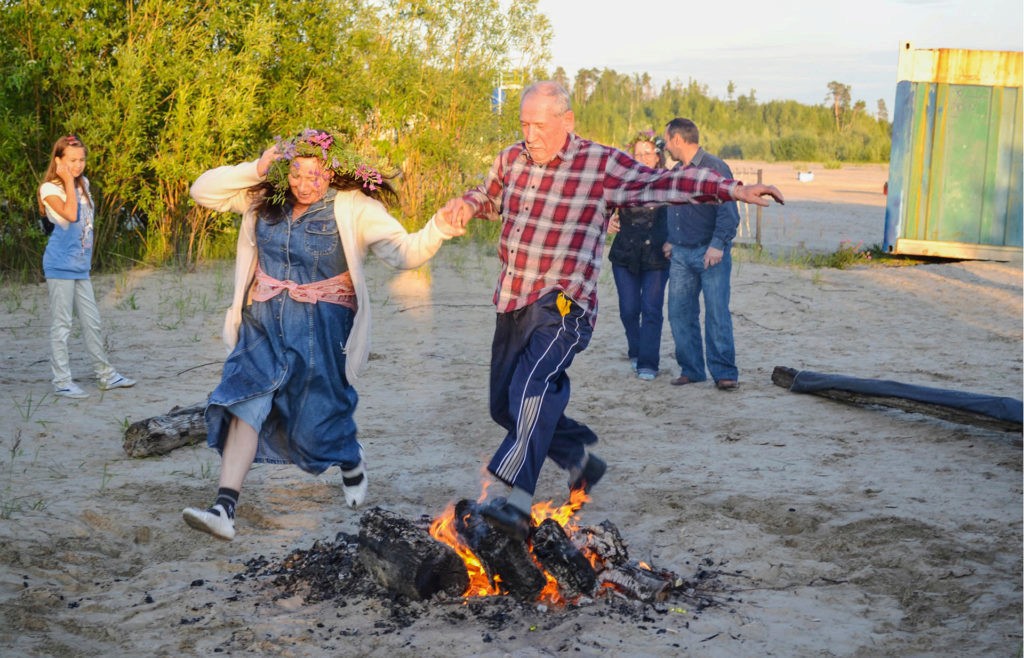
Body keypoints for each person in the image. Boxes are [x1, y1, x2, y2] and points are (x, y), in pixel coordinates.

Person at [440, 81, 783, 541]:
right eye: (524, 124)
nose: (530, 135)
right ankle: (580, 458)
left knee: (531, 388)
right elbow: (490, 196)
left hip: (564, 303)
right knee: (504, 406)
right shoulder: (511, 159)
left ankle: (518, 504)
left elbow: (663, 182)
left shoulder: (599, 164)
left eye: (539, 125)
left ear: (567, 121)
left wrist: (731, 189)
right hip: (513, 298)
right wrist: (467, 204)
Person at [182, 129, 463, 540]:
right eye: (295, 173)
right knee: (244, 402)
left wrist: (438, 227)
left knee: (314, 428)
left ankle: (349, 456)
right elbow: (202, 191)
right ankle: (224, 508)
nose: (304, 184)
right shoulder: (265, 197)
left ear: (333, 171)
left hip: (321, 328)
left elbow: (404, 252)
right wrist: (255, 168)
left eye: (315, 174)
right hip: (262, 321)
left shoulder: (353, 208)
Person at [39, 134, 136, 399]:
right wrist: (69, 181)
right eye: (72, 160)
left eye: (81, 160)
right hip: (59, 265)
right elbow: (70, 215)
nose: (78, 165)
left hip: (80, 267)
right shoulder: (50, 189)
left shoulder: (85, 183)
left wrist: (76, 181)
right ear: (59, 160)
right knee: (62, 325)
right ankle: (62, 381)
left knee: (92, 322)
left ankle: (105, 375)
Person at [661, 118, 741, 391]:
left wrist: (717, 245)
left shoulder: (715, 167)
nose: (666, 146)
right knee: (679, 313)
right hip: (681, 253)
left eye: (667, 140)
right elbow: (674, 207)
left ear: (678, 140)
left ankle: (724, 373)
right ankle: (692, 369)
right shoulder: (676, 171)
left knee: (717, 313)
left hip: (710, 252)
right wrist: (671, 239)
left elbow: (729, 211)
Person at [607, 130, 670, 381]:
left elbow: (683, 212)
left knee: (651, 309)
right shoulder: (621, 181)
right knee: (629, 309)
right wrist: (608, 221)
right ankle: (635, 350)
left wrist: (674, 240)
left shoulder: (668, 180)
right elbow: (602, 206)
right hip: (625, 253)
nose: (643, 158)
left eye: (648, 153)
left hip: (657, 254)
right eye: (637, 154)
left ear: (657, 156)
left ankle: (648, 363)